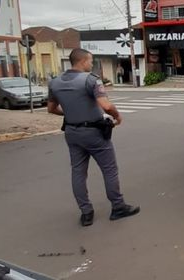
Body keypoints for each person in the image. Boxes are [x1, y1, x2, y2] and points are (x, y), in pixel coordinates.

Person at [48, 48, 140, 227]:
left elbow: (51, 109)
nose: (91, 64)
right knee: (109, 169)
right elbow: (105, 106)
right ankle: (118, 207)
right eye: (90, 61)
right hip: (94, 133)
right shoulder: (90, 80)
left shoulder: (55, 83)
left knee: (78, 172)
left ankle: (86, 213)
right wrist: (117, 116)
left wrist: (72, 115)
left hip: (72, 132)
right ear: (82, 61)